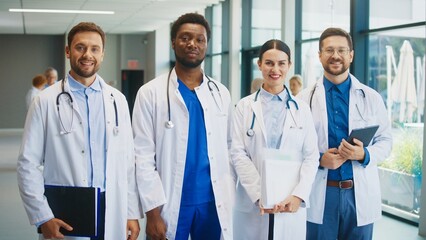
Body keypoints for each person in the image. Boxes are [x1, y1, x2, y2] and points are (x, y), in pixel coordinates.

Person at [17, 22, 142, 240]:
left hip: (111, 206)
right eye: (80, 47)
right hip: (67, 208)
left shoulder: (118, 100)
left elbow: (127, 162)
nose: (87, 55)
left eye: (95, 49)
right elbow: (28, 163)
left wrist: (131, 211)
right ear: (68, 51)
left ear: (103, 54)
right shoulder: (44, 101)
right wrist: (42, 216)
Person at [132, 13, 234, 240]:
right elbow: (143, 157)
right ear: (173, 43)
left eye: (200, 39)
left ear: (206, 44)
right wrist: (153, 213)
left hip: (212, 202)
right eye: (185, 38)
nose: (192, 44)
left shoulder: (220, 93)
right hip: (169, 200)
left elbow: (229, 146)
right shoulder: (150, 93)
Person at [298, 27, 393, 240]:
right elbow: (293, 148)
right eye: (329, 50)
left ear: (351, 54)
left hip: (358, 194)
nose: (335, 56)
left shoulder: (371, 97)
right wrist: (320, 159)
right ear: (320, 55)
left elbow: (386, 140)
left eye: (342, 50)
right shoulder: (303, 100)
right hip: (321, 193)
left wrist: (364, 154)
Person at [230, 39, 319, 240]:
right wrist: (259, 193)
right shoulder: (244, 107)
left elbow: (311, 157)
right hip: (253, 202)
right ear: (259, 64)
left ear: (289, 66)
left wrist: (298, 196)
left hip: (290, 200)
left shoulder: (302, 109)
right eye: (269, 63)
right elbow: (237, 153)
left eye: (281, 63)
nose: (275, 69)